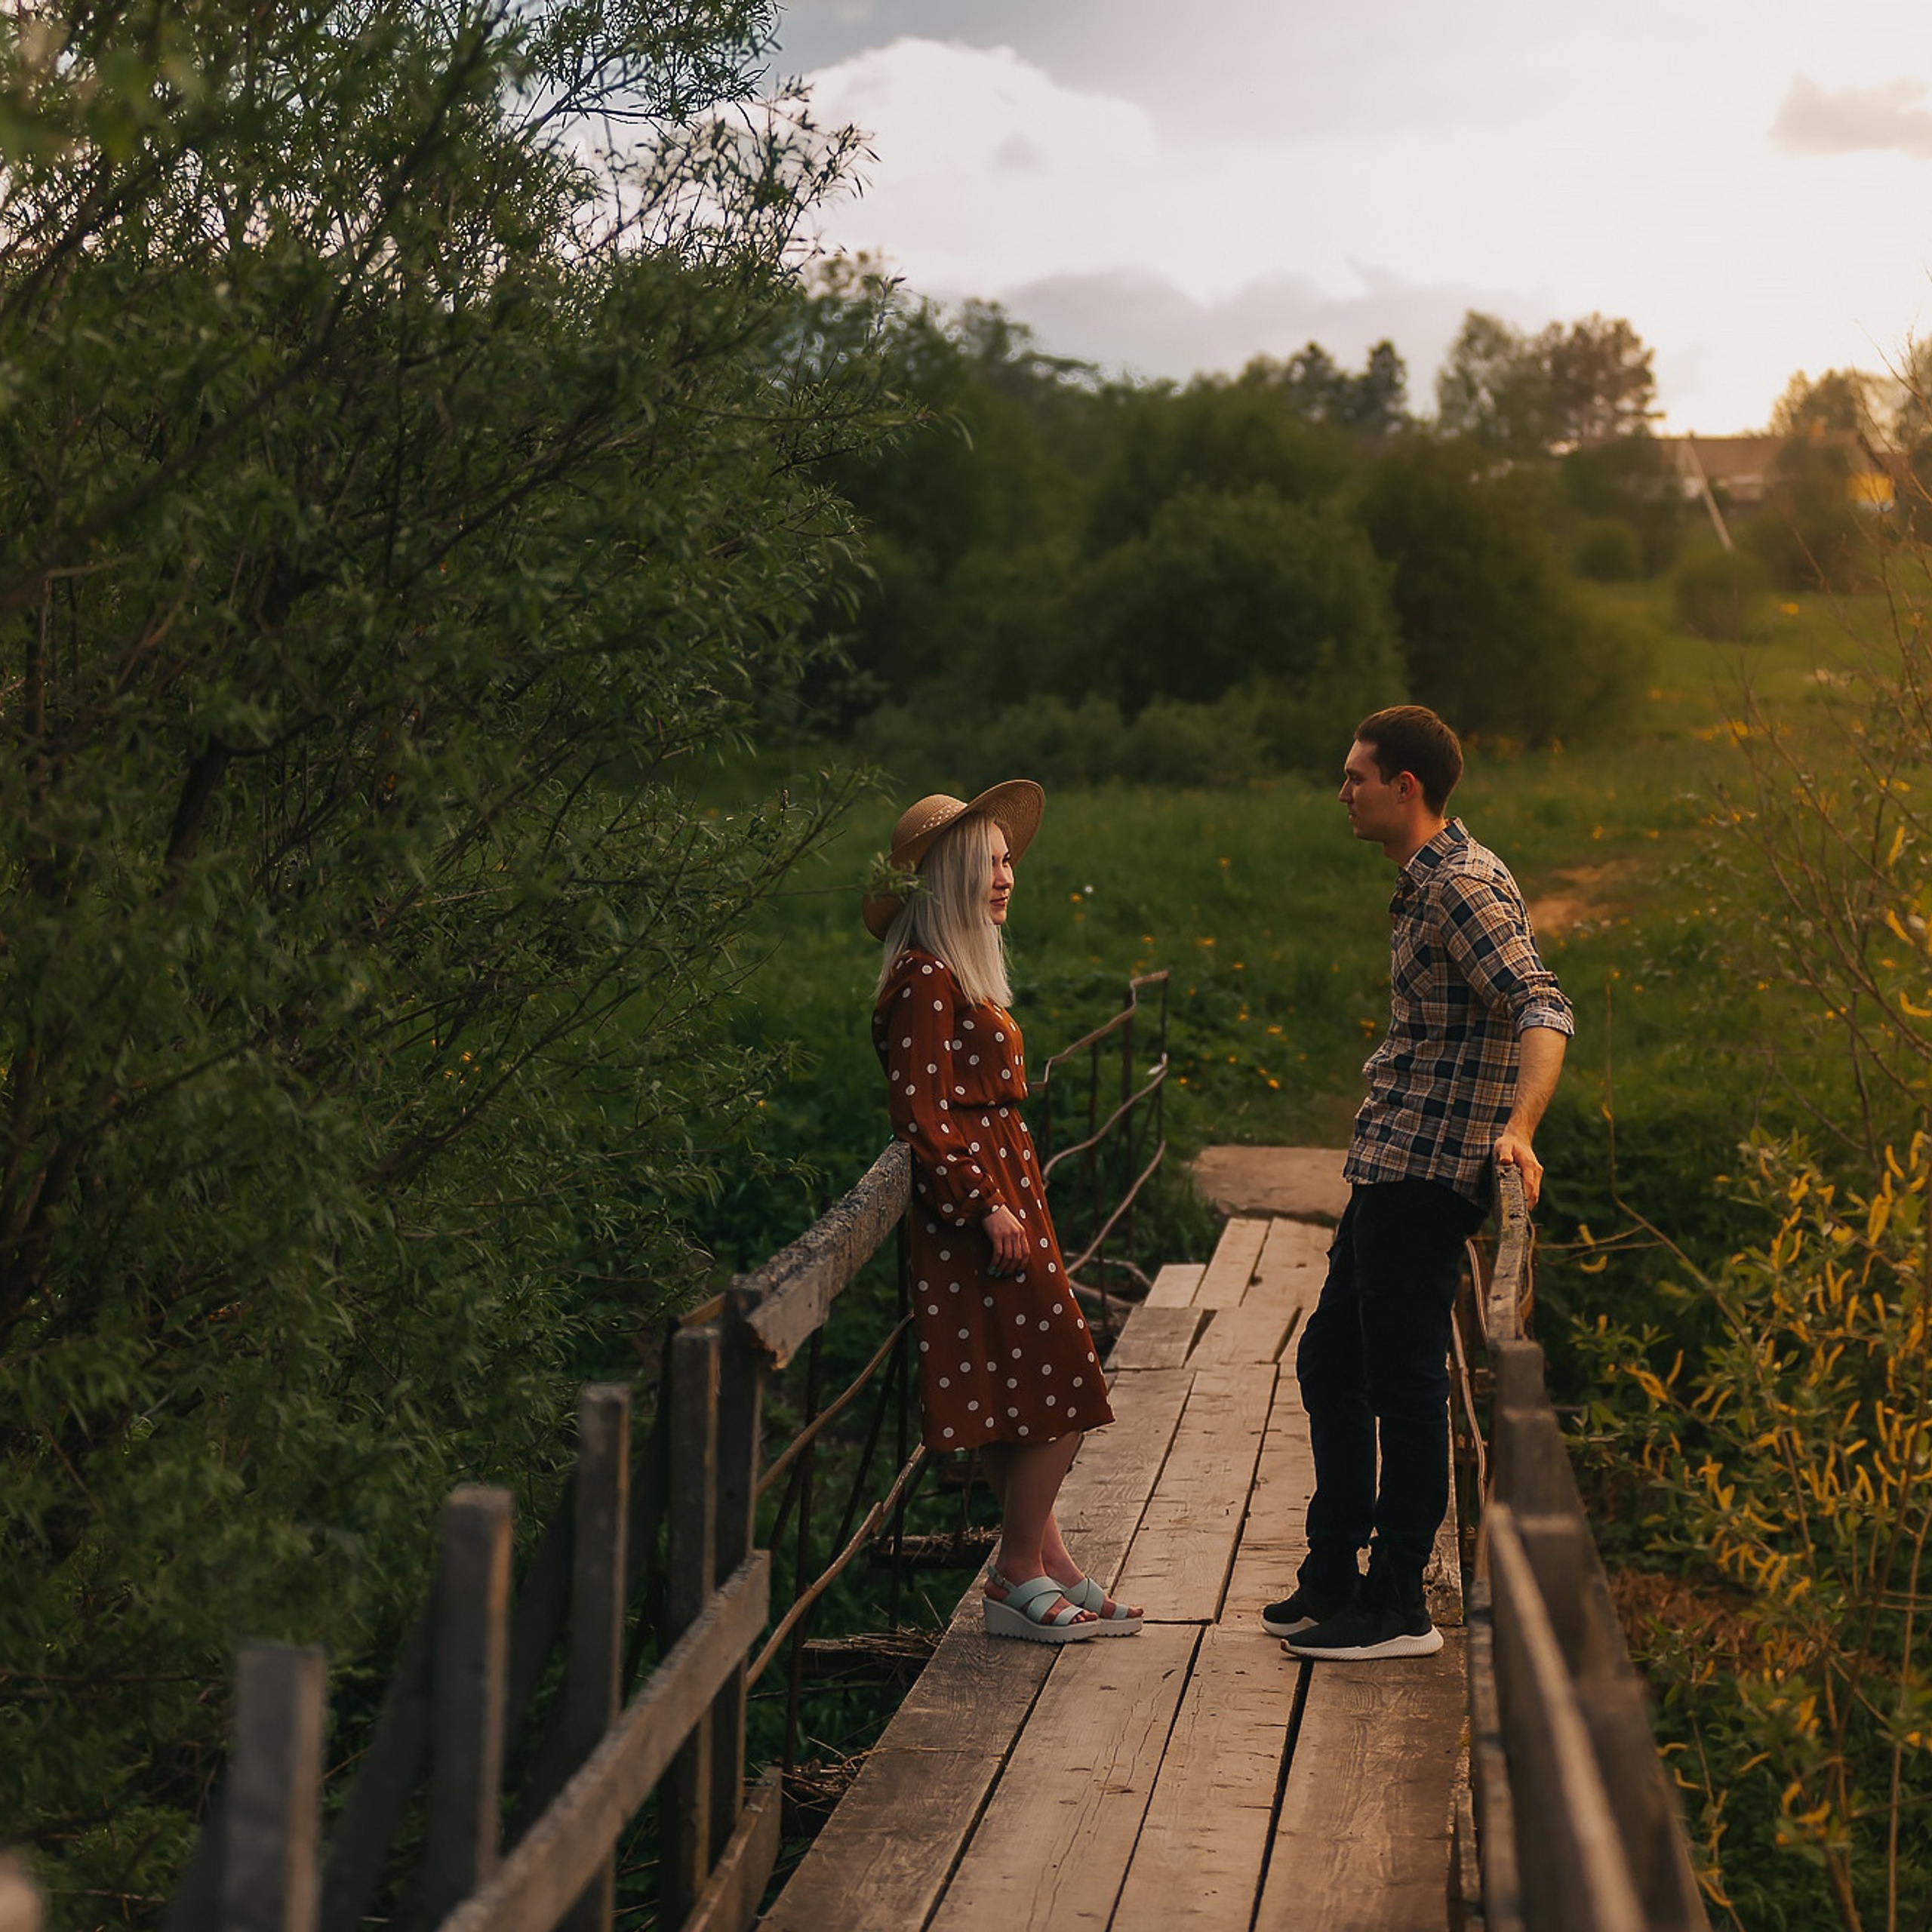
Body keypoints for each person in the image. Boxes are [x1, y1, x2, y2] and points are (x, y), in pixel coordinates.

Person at [1266, 706, 1573, 1662]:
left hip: (1429, 1171)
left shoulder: (1461, 888)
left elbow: (1541, 1001)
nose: (1342, 791)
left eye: (1357, 776)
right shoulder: (1428, 879)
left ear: (1406, 787)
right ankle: (1333, 1572)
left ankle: (1398, 1602)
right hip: (1390, 1159)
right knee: (1331, 1360)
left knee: (1403, 1379)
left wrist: (1518, 1129)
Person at [865, 781, 1141, 1645]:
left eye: (1008, 861)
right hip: (977, 1209)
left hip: (1002, 1195)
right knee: (1062, 1373)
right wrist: (983, 1203)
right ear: (946, 878)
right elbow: (920, 1108)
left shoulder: (955, 972)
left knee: (1008, 1383)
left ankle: (1046, 1560)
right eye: (989, 863)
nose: (1006, 876)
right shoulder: (921, 978)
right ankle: (1015, 1568)